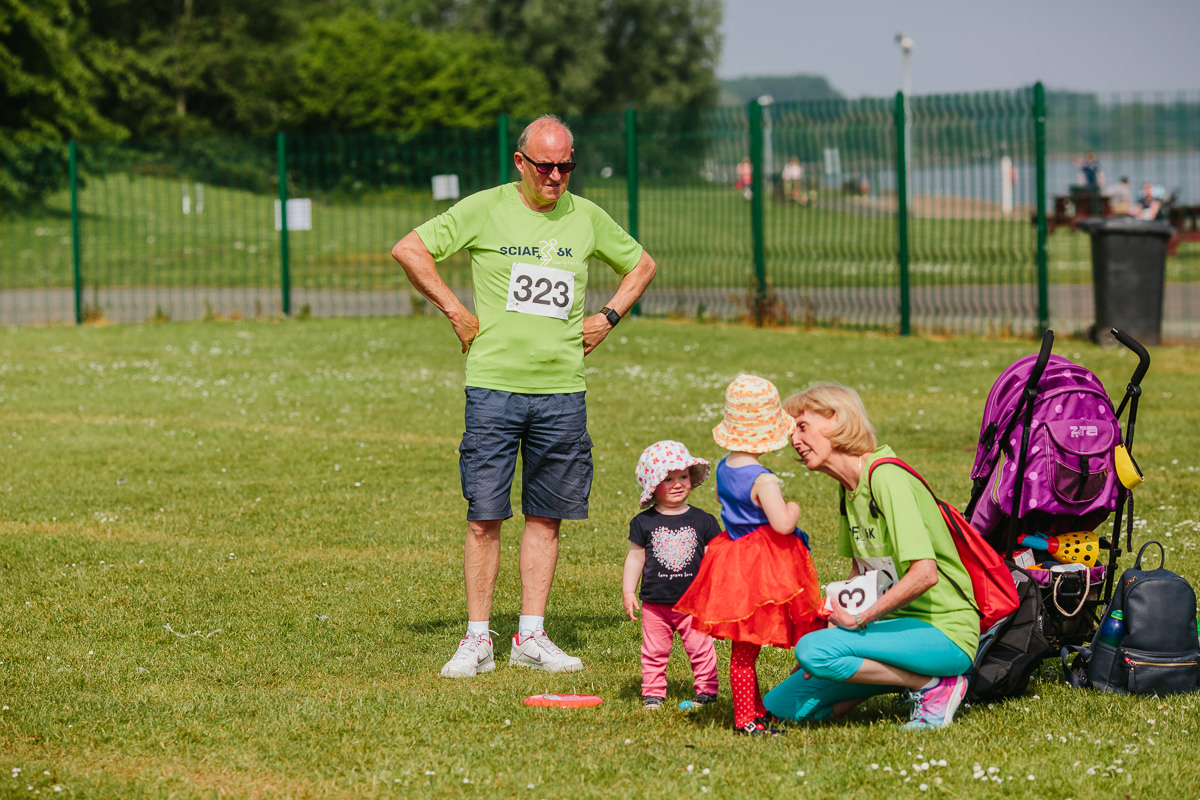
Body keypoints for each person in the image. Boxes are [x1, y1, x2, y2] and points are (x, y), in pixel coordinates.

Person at [391, 114, 657, 678]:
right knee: (484, 516)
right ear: (520, 162)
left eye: (566, 166)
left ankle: (530, 636)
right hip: (494, 388)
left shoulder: (586, 216)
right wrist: (456, 311)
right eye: (545, 166)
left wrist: (607, 317)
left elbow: (642, 265)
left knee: (547, 516)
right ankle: (477, 640)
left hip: (562, 391)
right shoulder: (485, 208)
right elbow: (410, 249)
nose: (555, 176)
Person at [763, 383, 979, 730]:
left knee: (813, 651)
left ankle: (932, 686)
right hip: (892, 632)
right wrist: (834, 624)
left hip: (944, 631)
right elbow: (860, 572)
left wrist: (859, 620)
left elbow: (925, 574)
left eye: (802, 427)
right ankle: (889, 679)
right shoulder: (849, 488)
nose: (794, 439)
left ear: (838, 421)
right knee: (781, 706)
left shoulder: (886, 477)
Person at [675, 374, 823, 736]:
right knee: (745, 650)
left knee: (747, 646)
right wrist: (794, 507)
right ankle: (745, 720)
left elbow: (727, 502)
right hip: (760, 564)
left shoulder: (725, 466)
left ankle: (756, 711)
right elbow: (782, 524)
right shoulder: (763, 479)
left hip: (733, 557)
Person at [623, 441, 722, 710]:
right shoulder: (643, 522)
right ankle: (653, 693)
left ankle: (707, 691)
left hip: (694, 602)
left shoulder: (704, 520)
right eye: (668, 479)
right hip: (655, 604)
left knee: (701, 648)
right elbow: (635, 558)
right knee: (654, 651)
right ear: (653, 485)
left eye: (683, 477)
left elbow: (714, 559)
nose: (678, 484)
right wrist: (629, 591)